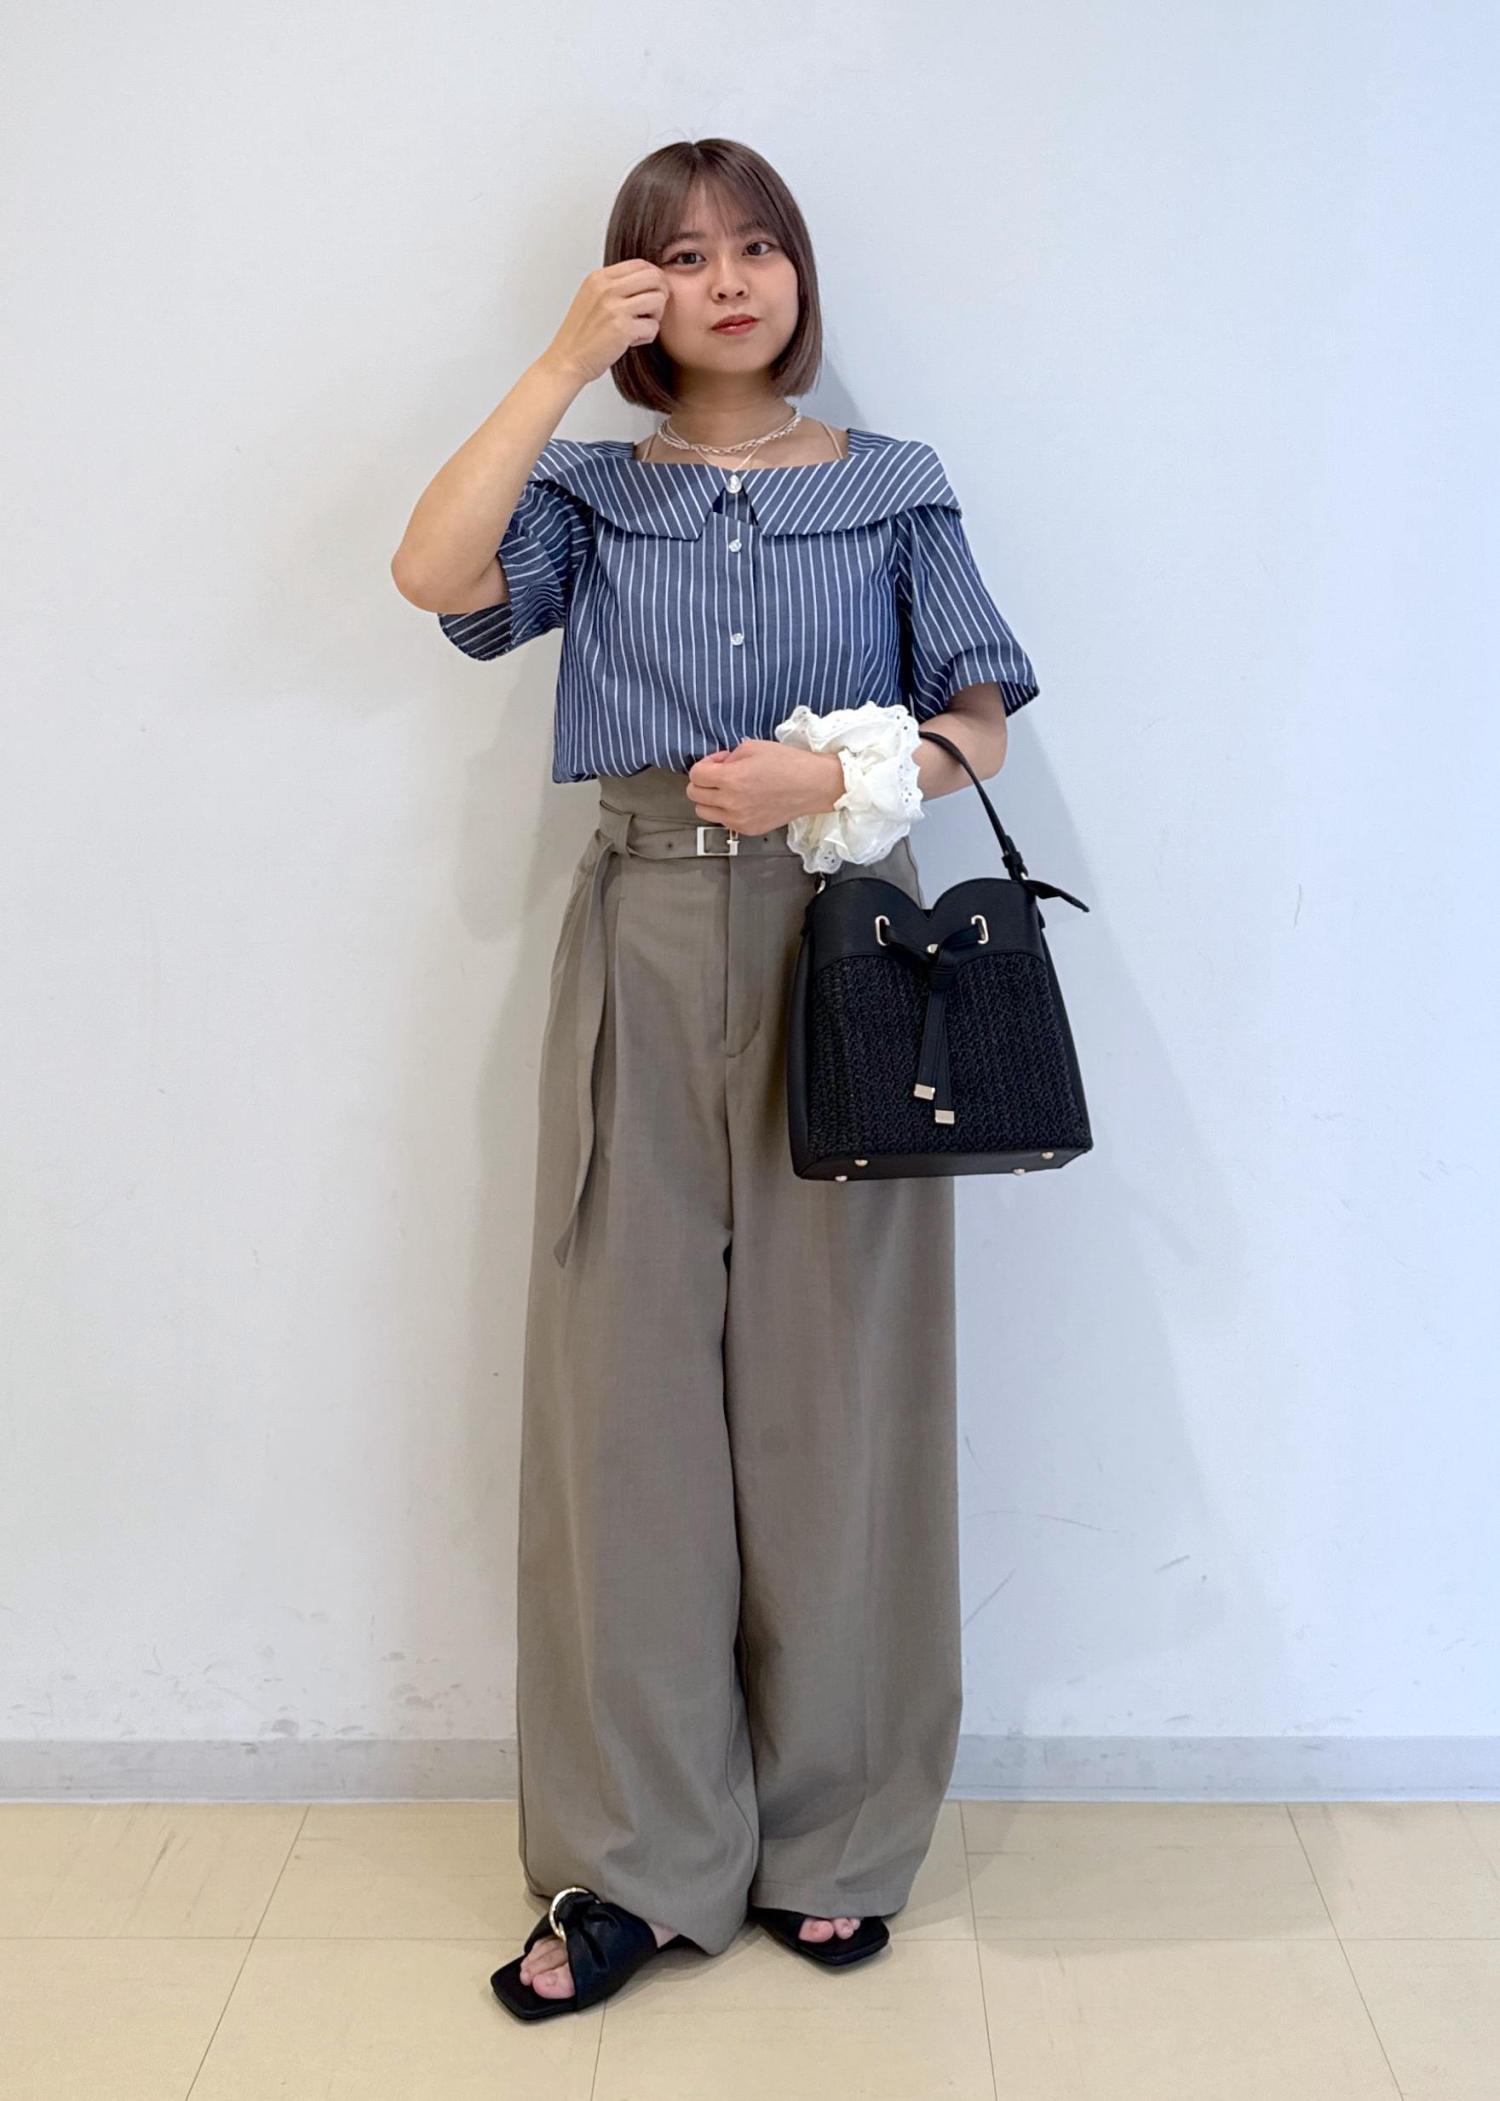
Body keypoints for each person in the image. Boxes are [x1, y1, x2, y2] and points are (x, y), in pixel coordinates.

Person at [390, 136, 1040, 2023]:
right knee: (626, 1409)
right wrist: (555, 365)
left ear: (798, 273)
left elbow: (982, 719)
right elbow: (431, 574)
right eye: (682, 254)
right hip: (645, 933)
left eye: (758, 244)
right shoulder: (590, 488)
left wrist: (832, 778)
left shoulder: (893, 482)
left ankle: (840, 1837)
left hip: (855, 946)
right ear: (637, 290)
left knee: (846, 1396)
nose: (729, 278)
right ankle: (634, 1862)